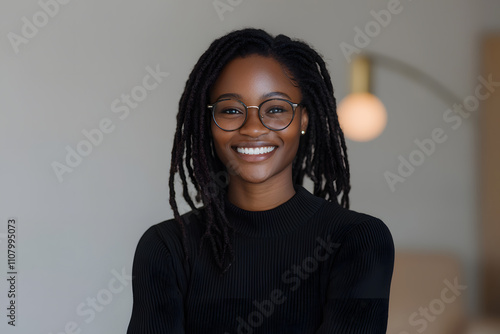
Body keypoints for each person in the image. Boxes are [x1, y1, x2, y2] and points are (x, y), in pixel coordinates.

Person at [127, 28, 394, 334]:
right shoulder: (167, 248)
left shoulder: (358, 241)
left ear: (303, 120)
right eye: (230, 110)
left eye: (276, 109)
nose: (253, 128)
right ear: (208, 123)